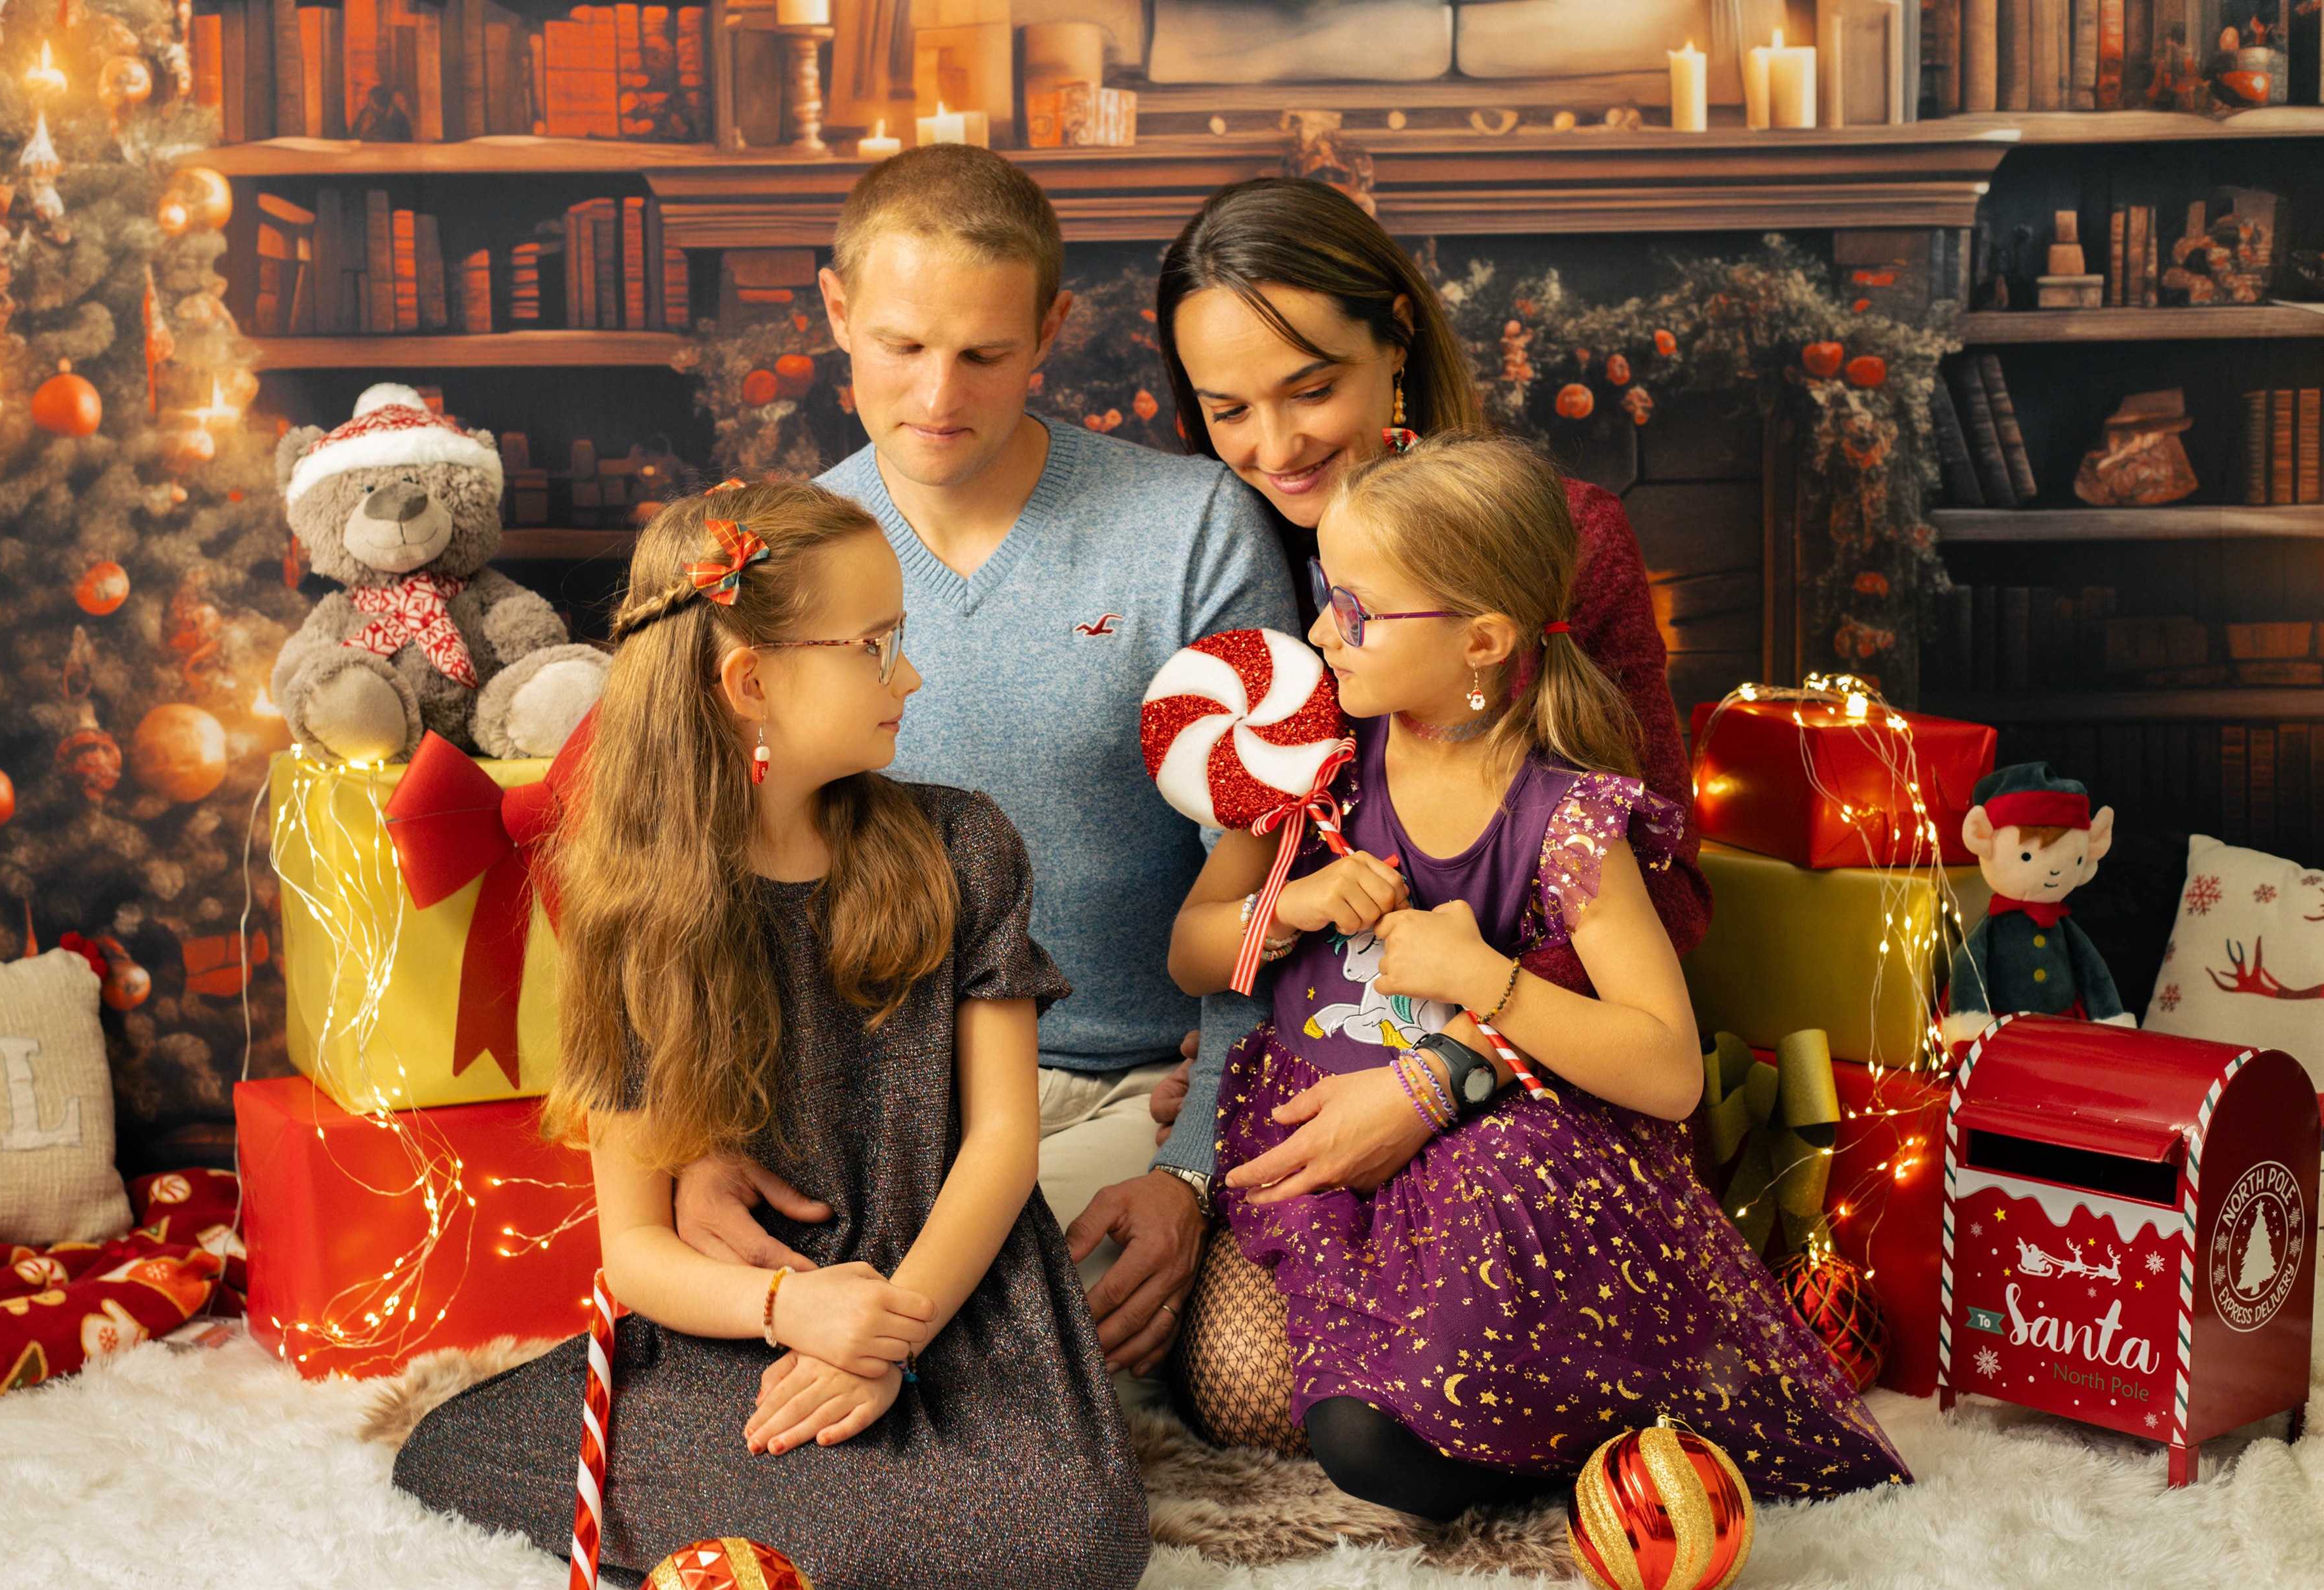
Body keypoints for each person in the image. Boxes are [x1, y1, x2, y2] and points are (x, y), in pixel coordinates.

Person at [391, 483, 1151, 1590]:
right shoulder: (638, 913)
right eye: (877, 647)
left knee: (1080, 1536)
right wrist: (794, 1310)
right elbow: (638, 1253)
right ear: (751, 683)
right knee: (464, 1458)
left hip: (956, 1288)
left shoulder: (964, 846)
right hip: (753, 1314)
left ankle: (852, 1479)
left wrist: (890, 1329)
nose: (910, 677)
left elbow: (1003, 1142)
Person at [1168, 430, 1909, 1517]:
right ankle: (1483, 1425)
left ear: (1482, 639)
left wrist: (1484, 976)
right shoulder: (1310, 758)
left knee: (1394, 1406)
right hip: (1322, 1137)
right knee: (1253, 1393)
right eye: (1326, 595)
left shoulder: (1565, 816)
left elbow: (1670, 1071)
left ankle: (1587, 1447)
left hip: (1499, 1151)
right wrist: (1293, 906)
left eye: (1357, 611)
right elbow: (1191, 946)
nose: (1321, 632)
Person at [669, 146, 1295, 1382]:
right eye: (901, 345)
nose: (938, 394)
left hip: (1129, 1097)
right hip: (866, 1117)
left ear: (1050, 329)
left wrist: (1192, 1166)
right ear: (835, 311)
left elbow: (1270, 881)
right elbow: (711, 884)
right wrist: (700, 1138)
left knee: (1044, 1353)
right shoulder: (773, 561)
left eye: (985, 354)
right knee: (842, 1340)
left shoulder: (1190, 530)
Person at [1146, 175, 1713, 1163]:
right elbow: (1221, 906)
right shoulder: (1216, 558)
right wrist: (1241, 1062)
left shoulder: (1556, 544)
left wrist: (1445, 1073)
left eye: (1312, 390)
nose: (1276, 447)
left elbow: (1665, 890)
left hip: (1527, 1107)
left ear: (1398, 339)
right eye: (1228, 409)